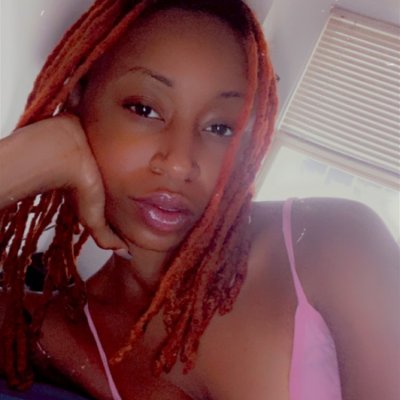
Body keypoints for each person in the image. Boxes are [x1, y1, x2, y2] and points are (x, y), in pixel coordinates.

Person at [0, 0, 398, 399]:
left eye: (221, 128)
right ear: (79, 96)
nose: (179, 164)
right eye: (144, 109)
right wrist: (19, 161)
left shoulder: (335, 247)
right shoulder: (45, 330)